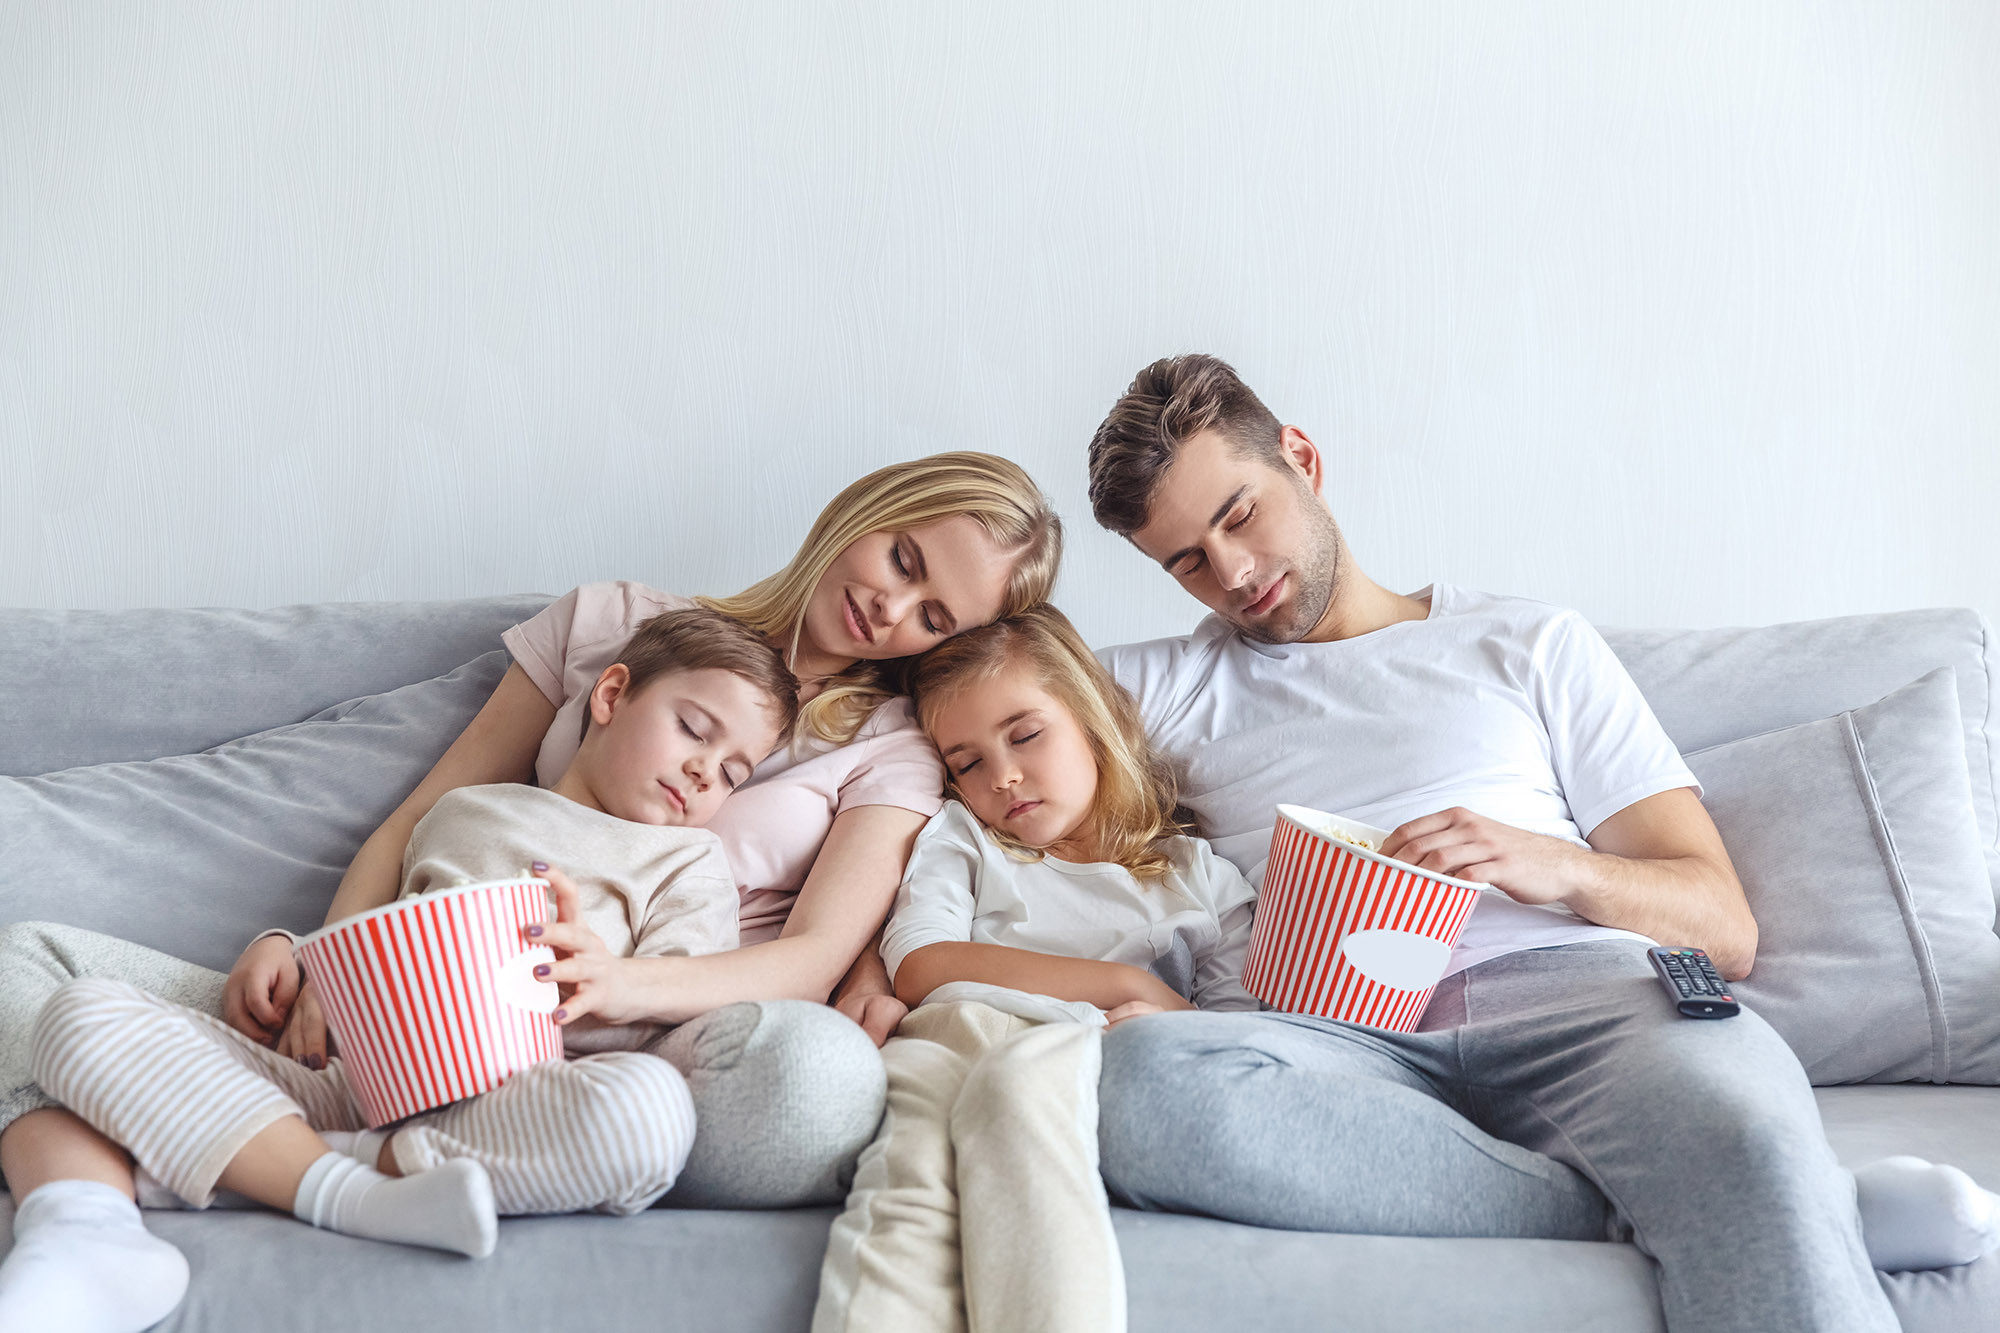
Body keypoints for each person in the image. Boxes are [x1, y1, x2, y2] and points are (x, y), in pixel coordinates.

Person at [0, 452, 1063, 1333]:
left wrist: (621, 985)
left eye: (933, 613)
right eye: (903, 557)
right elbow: (429, 813)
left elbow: (816, 955)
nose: (891, 604)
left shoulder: (896, 748)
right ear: (867, 510)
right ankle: (101, 1221)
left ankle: (235, 1145)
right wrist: (333, 955)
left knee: (816, 1081)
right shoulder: (614, 622)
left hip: (643, 1038)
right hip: (427, 997)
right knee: (29, 964)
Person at [1082, 354, 2000, 1333]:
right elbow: (941, 707)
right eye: (1184, 560)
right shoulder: (1155, 690)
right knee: (1138, 1085)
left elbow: (1720, 925)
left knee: (1749, 1138)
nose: (1230, 573)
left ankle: (1749, 1189)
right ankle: (1641, 1207)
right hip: (1338, 1038)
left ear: (1300, 458)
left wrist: (1552, 865)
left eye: (1237, 515)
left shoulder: (1524, 643)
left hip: (1585, 1004)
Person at [24, 607, 790, 1291]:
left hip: (506, 1108)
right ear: (613, 694)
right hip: (345, 1077)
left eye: (732, 772)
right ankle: (351, 1187)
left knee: (648, 1115)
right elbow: (382, 937)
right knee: (76, 1012)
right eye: (694, 728)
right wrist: (290, 950)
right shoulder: (466, 808)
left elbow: (677, 1000)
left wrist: (603, 976)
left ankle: (279, 1159)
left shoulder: (686, 861)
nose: (703, 770)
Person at [814, 606, 1259, 1333]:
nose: (1005, 776)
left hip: (1077, 1050)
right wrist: (1128, 981)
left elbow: (1242, 1031)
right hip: (946, 1036)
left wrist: (1151, 1009)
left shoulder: (1193, 877)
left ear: (1090, 714)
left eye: (1025, 735)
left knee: (1019, 1105)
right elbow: (923, 964)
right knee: (907, 1190)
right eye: (967, 762)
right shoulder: (963, 837)